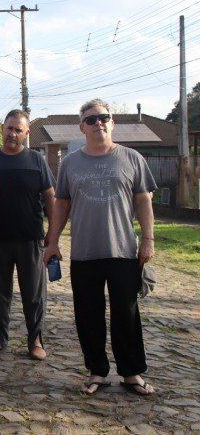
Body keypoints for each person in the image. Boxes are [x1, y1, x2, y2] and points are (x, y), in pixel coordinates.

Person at [43, 100, 157, 396]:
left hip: (123, 250)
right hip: (85, 252)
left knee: (127, 313)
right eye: (91, 120)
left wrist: (148, 239)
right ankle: (97, 372)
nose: (98, 124)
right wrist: (52, 241)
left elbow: (143, 200)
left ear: (112, 122)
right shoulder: (70, 163)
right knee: (88, 314)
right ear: (81, 127)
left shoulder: (131, 158)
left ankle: (131, 373)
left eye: (103, 118)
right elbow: (62, 204)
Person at [0, 109, 55, 360]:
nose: (12, 133)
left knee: (33, 293)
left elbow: (50, 197)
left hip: (31, 238)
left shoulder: (36, 161)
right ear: (2, 128)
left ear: (26, 132)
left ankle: (35, 340)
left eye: (18, 130)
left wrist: (53, 235)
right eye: (9, 128)